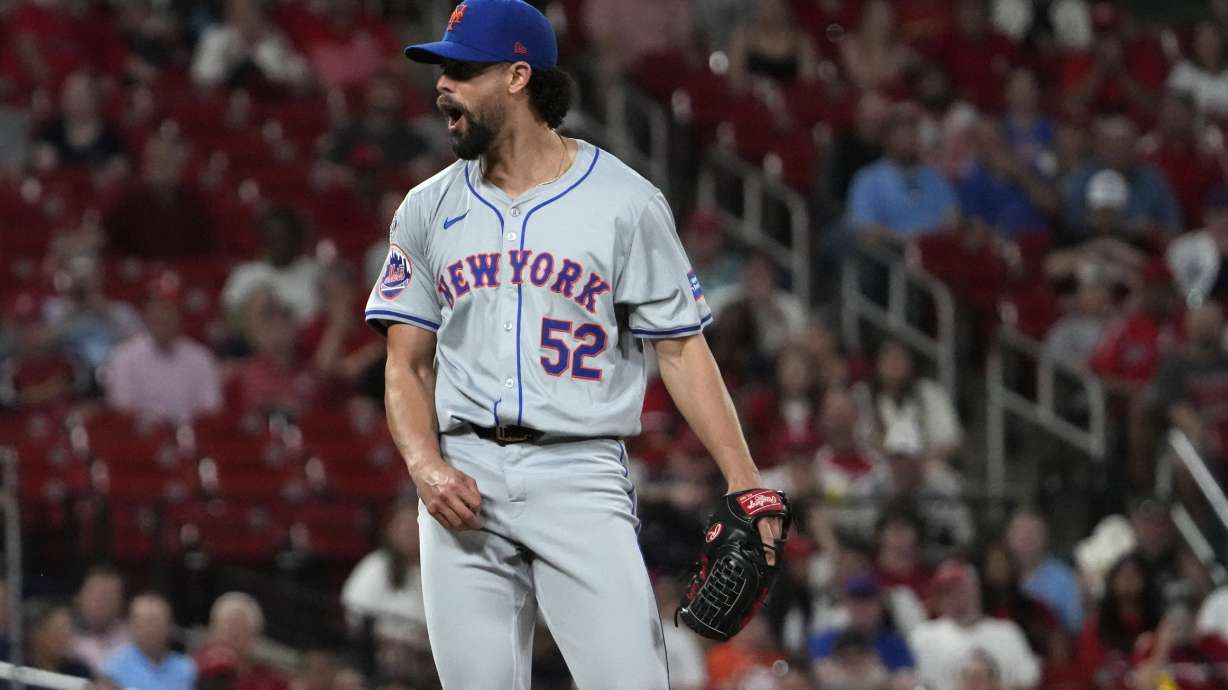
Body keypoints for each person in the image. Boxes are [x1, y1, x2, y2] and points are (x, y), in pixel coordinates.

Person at [368, 2, 785, 687]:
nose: (442, 84)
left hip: (580, 473)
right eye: (442, 68)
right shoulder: (426, 207)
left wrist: (746, 482)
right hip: (463, 475)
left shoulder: (624, 202)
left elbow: (681, 350)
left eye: (462, 69)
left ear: (517, 76)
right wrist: (424, 465)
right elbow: (406, 363)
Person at [102, 286, 223, 426]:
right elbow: (121, 407)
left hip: (190, 437)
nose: (162, 317)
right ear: (146, 314)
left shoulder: (201, 358)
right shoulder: (123, 356)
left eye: (168, 310)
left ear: (179, 316)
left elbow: (211, 408)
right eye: (156, 311)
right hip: (141, 439)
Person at [909, 562, 1040, 690]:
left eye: (960, 589)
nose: (954, 597)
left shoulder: (1007, 632)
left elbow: (1029, 680)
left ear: (975, 589)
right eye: (947, 591)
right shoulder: (923, 636)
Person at [847, 106, 961, 244]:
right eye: (900, 134)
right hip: (891, 255)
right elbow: (862, 225)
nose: (908, 139)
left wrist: (933, 239)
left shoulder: (934, 176)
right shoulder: (868, 179)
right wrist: (899, 239)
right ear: (885, 139)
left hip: (936, 251)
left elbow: (951, 216)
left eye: (911, 133)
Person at [1061, 116, 1182, 239]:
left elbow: (1173, 229)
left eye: (1126, 146)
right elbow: (1069, 222)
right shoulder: (1083, 177)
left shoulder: (1153, 180)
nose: (1120, 153)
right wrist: (1092, 223)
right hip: (1089, 246)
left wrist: (1152, 228)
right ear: (1100, 147)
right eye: (1114, 146)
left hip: (1141, 250)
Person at [103, 130, 218, 258]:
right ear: (144, 165)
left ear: (180, 166)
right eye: (155, 161)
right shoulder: (124, 207)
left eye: (167, 161)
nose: (160, 169)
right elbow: (113, 253)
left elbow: (206, 255)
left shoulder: (197, 207)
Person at [852, 340, 963, 465]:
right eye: (888, 359)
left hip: (927, 471)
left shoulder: (931, 392)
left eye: (899, 358)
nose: (894, 365)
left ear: (911, 364)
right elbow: (860, 438)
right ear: (877, 365)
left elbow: (953, 442)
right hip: (878, 470)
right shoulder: (862, 395)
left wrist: (916, 463)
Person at [340, 497, 427, 644]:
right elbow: (356, 613)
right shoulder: (377, 565)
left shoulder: (434, 572)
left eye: (414, 526)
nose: (408, 533)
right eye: (402, 526)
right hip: (380, 651)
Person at [1151, 302, 1228, 466]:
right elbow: (1177, 409)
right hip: (1199, 435)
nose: (1205, 328)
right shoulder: (1175, 365)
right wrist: (1204, 435)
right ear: (1188, 325)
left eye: (1210, 323)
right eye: (1201, 322)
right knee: (1189, 461)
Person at [808, 574, 916, 688]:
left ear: (880, 603)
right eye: (855, 601)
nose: (861, 608)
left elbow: (906, 681)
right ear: (845, 603)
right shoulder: (824, 640)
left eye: (868, 601)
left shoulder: (895, 643)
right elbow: (820, 676)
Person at [1076, 553, 1163, 690]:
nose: (1128, 580)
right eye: (1122, 575)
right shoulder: (1096, 626)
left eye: (1135, 574)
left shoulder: (1160, 625)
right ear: (1112, 581)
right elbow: (1092, 672)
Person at [221, 207, 321, 324]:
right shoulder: (245, 273)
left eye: (284, 238)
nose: (279, 245)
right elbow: (228, 318)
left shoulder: (316, 273)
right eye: (273, 238)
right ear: (264, 239)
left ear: (296, 238)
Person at [190, 0, 310, 92]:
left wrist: (262, 61)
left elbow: (299, 76)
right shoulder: (216, 38)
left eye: (252, 10)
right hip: (222, 107)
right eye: (241, 11)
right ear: (231, 13)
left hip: (267, 106)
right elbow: (203, 77)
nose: (247, 17)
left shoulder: (274, 40)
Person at [32, 70, 126, 177]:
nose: (76, 102)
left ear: (95, 99)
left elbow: (120, 169)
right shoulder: (51, 131)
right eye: (71, 96)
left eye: (81, 96)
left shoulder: (112, 135)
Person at [1004, 509, 1084, 633]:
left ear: (1046, 538)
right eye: (1020, 532)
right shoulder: (998, 575)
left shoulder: (1064, 579)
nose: (1026, 539)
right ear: (1008, 537)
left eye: (1032, 533)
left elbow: (1075, 628)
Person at [193, 592, 289, 690]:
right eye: (224, 628)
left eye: (238, 630)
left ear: (254, 635)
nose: (229, 635)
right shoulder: (193, 669)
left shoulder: (271, 682)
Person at [100, 594, 196, 690]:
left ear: (169, 626)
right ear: (131, 626)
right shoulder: (113, 668)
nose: (150, 630)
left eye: (156, 623)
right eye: (144, 623)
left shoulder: (186, 668)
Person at [726, 0, 818, 89]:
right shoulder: (743, 37)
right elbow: (734, 79)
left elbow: (809, 82)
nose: (771, 10)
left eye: (776, 6)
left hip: (792, 99)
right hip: (753, 98)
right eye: (766, 5)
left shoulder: (801, 40)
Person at [1167, 187, 1228, 307]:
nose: (1225, 220)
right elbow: (1177, 288)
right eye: (1219, 214)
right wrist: (1197, 302)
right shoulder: (1185, 246)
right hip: (1195, 308)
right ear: (1206, 216)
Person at [838, 0, 915, 93]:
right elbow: (855, 82)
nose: (879, 21)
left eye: (884, 16)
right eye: (873, 16)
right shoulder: (850, 45)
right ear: (864, 18)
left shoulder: (902, 51)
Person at [71, 565, 130, 673]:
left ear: (121, 602)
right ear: (78, 597)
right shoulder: (62, 636)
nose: (103, 602)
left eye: (111, 595)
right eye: (98, 595)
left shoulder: (132, 638)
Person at [1167, 21, 1228, 119]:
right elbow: (1173, 111)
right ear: (1195, 44)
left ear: (1222, 42)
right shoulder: (1184, 72)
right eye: (1203, 38)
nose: (1208, 43)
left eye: (1212, 38)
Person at [25, 600, 93, 681]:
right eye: (58, 630)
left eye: (69, 630)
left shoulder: (80, 672)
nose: (65, 637)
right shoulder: (18, 669)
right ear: (37, 633)